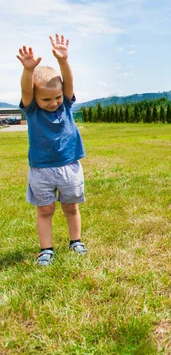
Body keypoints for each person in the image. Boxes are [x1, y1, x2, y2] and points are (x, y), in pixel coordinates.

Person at [16, 34, 87, 266]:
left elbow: (68, 81)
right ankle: (46, 250)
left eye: (56, 97)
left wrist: (63, 61)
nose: (54, 102)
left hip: (69, 166)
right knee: (45, 210)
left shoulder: (65, 103)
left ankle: (75, 241)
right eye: (46, 99)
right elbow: (26, 91)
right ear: (35, 99)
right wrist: (28, 70)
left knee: (71, 206)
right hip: (41, 170)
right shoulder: (33, 110)